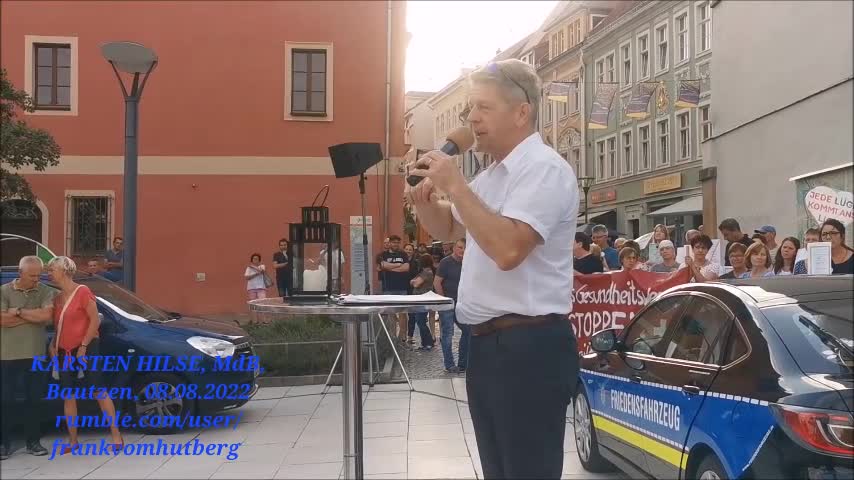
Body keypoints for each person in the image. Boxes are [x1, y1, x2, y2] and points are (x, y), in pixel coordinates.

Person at [406, 59, 577, 479]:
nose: (471, 119)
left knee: (527, 470)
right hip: (487, 346)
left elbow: (508, 249)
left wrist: (457, 187)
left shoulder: (543, 169)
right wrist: (425, 200)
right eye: (468, 110)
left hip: (528, 345)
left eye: (482, 107)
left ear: (522, 112)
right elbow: (448, 227)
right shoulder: (494, 175)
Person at [46, 256, 123, 454]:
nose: (49, 273)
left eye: (52, 269)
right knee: (68, 395)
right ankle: (73, 441)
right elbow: (60, 325)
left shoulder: (82, 291)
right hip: (64, 350)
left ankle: (116, 436)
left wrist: (83, 346)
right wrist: (53, 345)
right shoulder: (57, 298)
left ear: (63, 271)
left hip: (86, 348)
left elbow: (94, 321)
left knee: (98, 390)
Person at [0, 256, 54, 459]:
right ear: (20, 273)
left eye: (39, 275)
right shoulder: (4, 291)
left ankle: (34, 442)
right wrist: (31, 318)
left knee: (34, 400)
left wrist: (18, 312)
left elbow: (45, 317)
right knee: (5, 400)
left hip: (36, 355)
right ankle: (4, 444)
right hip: (7, 355)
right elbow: (2, 321)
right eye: (32, 276)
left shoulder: (45, 290)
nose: (36, 279)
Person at [433, 239, 468, 373]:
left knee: (468, 331)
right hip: (448, 304)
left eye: (464, 248)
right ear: (454, 248)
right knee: (447, 334)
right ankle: (449, 364)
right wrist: (445, 300)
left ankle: (463, 363)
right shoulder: (445, 262)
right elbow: (437, 283)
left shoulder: (468, 263)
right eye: (459, 247)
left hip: (462, 304)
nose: (462, 250)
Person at [379, 235, 411, 341]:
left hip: (402, 287)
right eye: (394, 242)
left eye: (397, 242)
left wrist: (390, 268)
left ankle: (402, 336)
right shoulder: (383, 255)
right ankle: (392, 335)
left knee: (403, 313)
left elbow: (406, 267)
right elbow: (383, 265)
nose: (396, 244)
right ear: (390, 243)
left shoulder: (403, 254)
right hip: (388, 287)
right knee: (390, 313)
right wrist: (398, 265)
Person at [409, 254, 436, 351]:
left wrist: (413, 282)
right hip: (419, 299)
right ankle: (425, 343)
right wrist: (413, 281)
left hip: (423, 299)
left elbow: (416, 284)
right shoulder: (423, 272)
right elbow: (412, 281)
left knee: (421, 321)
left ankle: (428, 342)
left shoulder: (426, 272)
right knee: (420, 321)